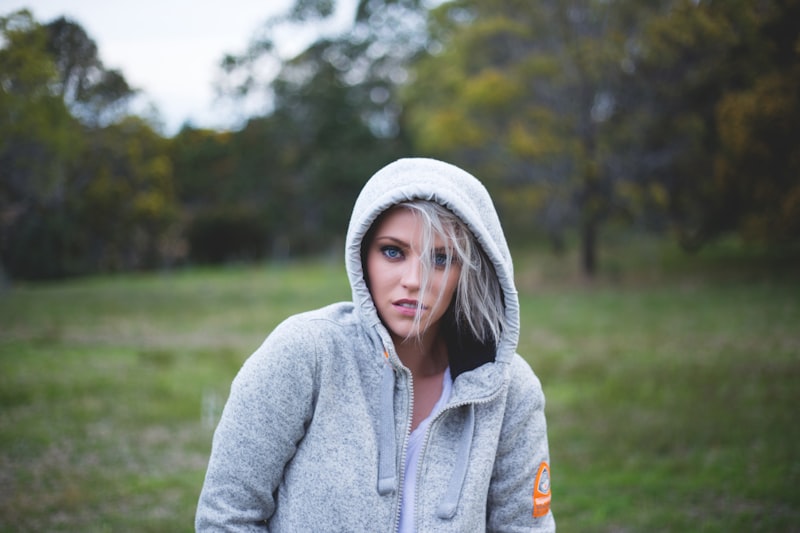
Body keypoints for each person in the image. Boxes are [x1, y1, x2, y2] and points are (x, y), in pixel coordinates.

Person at [195, 158, 555, 532]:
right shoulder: (305, 352)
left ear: (469, 270)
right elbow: (227, 515)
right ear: (363, 255)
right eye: (393, 251)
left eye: (441, 258)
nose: (414, 280)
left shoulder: (510, 389)